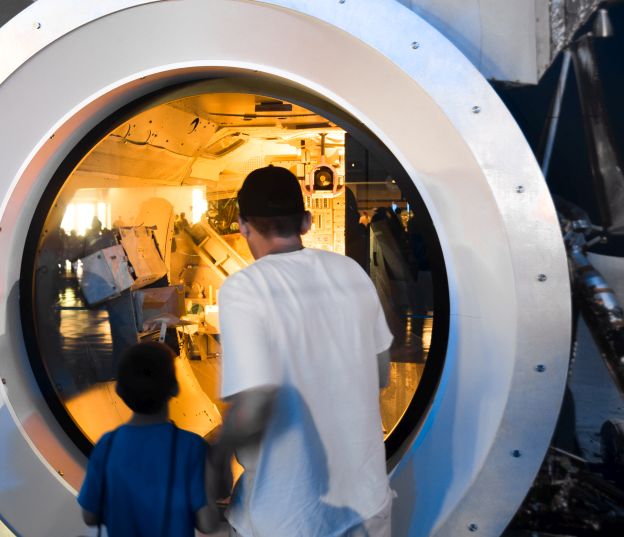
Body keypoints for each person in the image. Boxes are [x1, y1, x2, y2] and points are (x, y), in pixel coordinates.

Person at [209, 165, 394, 537]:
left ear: (244, 226)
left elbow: (255, 405)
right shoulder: (352, 273)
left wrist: (215, 453)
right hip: (368, 508)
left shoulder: (244, 289)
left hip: (290, 516)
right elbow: (380, 375)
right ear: (306, 222)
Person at [77, 342, 221, 536]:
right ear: (176, 388)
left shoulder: (107, 445)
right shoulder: (192, 447)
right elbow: (208, 524)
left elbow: (89, 516)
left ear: (119, 391)